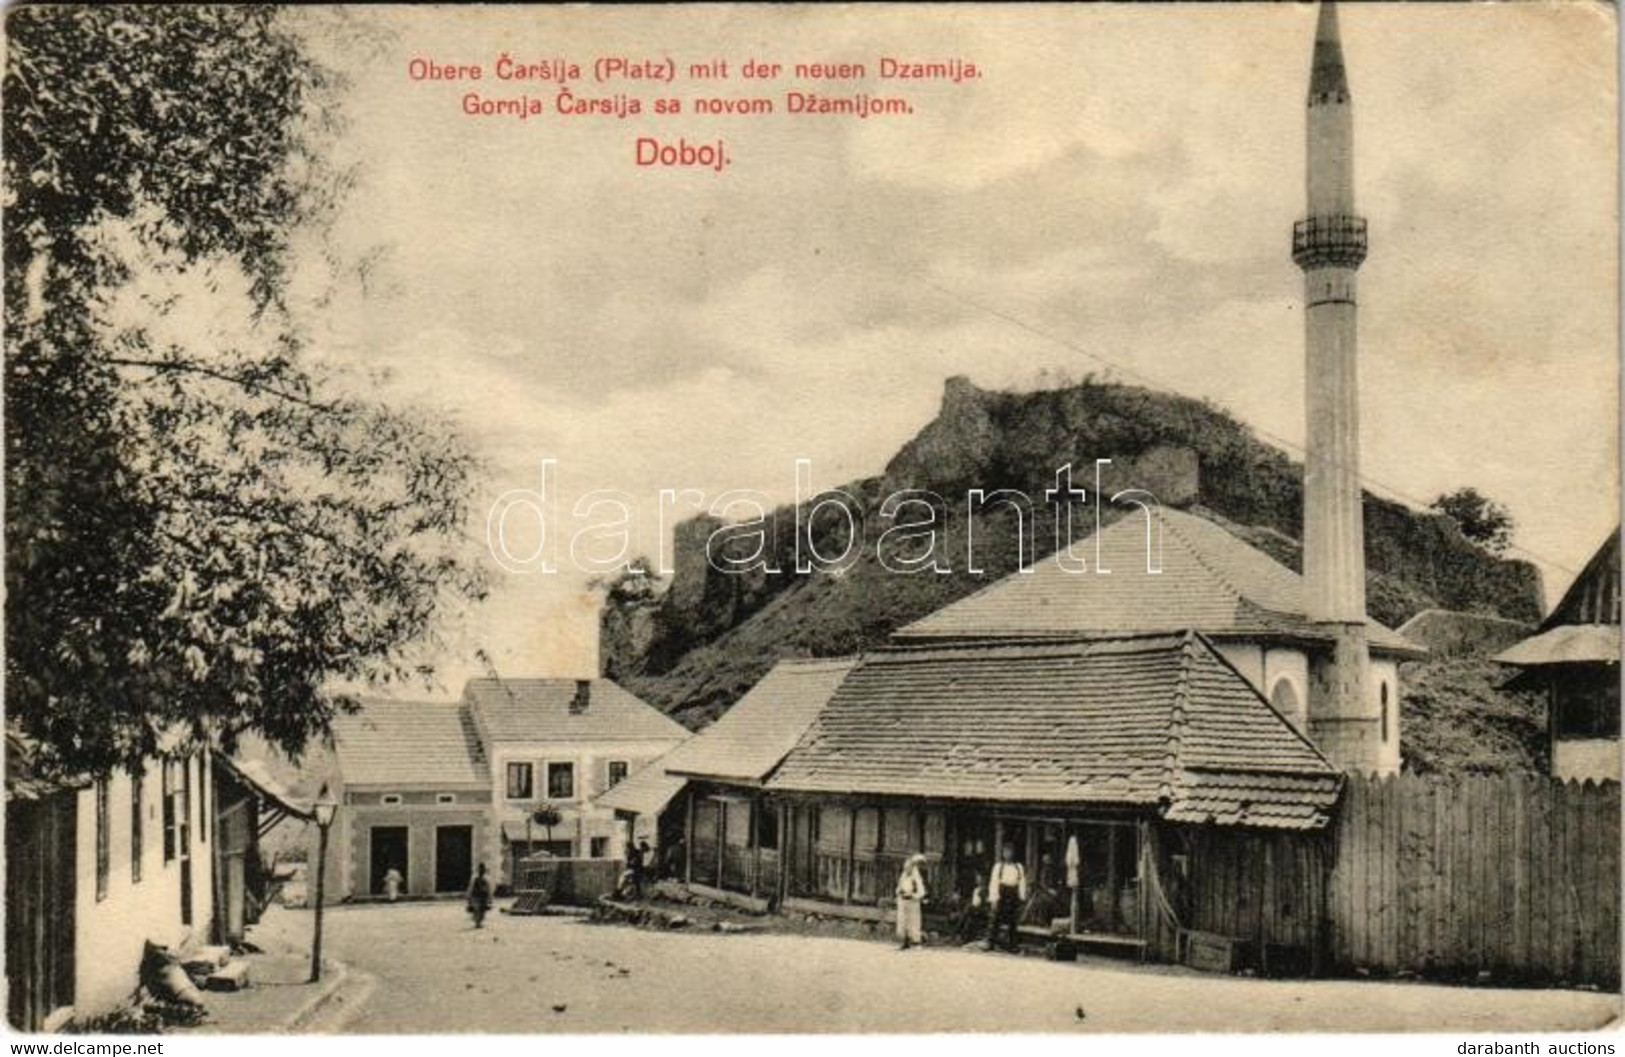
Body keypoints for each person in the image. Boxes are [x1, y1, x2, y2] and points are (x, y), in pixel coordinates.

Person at [987, 843, 1028, 952]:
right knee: (995, 919)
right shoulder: (998, 866)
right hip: (1002, 893)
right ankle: (990, 942)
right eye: (1006, 852)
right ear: (1003, 853)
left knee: (1013, 921)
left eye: (1010, 851)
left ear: (1013, 853)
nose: (1008, 854)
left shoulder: (1018, 867)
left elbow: (1022, 882)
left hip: (1013, 893)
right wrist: (994, 899)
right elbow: (994, 883)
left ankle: (1012, 945)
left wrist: (1022, 897)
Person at [894, 854, 928, 950]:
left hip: (912, 902)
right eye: (906, 867)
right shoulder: (903, 876)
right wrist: (899, 893)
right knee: (903, 922)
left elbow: (921, 892)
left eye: (909, 867)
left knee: (913, 922)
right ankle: (905, 941)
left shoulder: (916, 878)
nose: (907, 869)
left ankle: (916, 942)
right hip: (903, 901)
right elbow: (898, 888)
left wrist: (913, 895)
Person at [467, 862, 493, 929]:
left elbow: (488, 888)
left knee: (482, 910)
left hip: (483, 896)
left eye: (482, 869)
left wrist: (490, 898)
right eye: (480, 869)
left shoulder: (486, 878)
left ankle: (479, 922)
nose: (481, 871)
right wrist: (469, 897)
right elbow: (471, 887)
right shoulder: (475, 878)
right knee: (477, 909)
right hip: (476, 896)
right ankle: (477, 923)